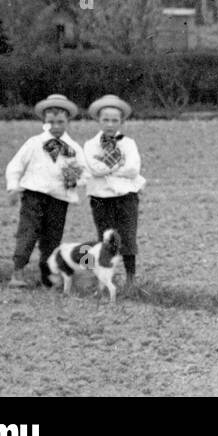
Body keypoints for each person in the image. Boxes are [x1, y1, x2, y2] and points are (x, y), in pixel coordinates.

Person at [5, 94, 86, 288]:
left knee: (52, 238)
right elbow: (15, 165)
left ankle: (47, 278)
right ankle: (17, 273)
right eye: (50, 122)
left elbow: (84, 173)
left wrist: (74, 181)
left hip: (58, 199)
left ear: (68, 121)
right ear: (44, 122)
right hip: (34, 195)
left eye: (60, 121)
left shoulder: (73, 148)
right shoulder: (34, 143)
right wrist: (13, 187)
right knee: (28, 233)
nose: (55, 126)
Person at [81, 94, 146, 291]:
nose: (110, 124)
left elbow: (133, 169)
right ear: (98, 120)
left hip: (126, 196)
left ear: (121, 122)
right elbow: (93, 168)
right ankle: (105, 279)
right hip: (100, 197)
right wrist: (118, 165)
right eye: (105, 120)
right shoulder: (90, 145)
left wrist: (106, 167)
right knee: (105, 238)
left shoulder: (128, 143)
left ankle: (130, 279)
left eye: (114, 120)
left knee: (127, 236)